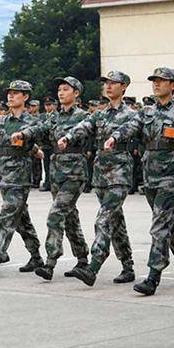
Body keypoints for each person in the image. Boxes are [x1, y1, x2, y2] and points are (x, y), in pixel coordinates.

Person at [105, 67, 174, 296]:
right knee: (167, 224)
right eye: (154, 81)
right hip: (150, 175)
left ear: (173, 85)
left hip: (172, 174)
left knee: (159, 225)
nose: (156, 84)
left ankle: (153, 276)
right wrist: (114, 137)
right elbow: (130, 127)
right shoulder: (146, 111)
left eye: (161, 81)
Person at [59, 71, 137, 286]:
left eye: (113, 83)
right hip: (101, 174)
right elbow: (83, 127)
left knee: (103, 219)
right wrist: (68, 136)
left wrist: (114, 138)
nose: (108, 87)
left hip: (119, 174)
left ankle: (93, 267)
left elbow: (128, 130)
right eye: (106, 83)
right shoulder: (100, 114)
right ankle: (128, 266)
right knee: (115, 221)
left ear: (124, 86)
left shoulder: (131, 114)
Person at [13, 76, 90, 281]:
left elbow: (82, 132)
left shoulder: (83, 116)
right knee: (70, 216)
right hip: (57, 172)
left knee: (56, 215)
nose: (61, 92)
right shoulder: (54, 117)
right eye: (59, 89)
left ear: (76, 93)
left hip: (75, 173)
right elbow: (39, 128)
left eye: (66, 89)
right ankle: (82, 260)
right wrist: (24, 133)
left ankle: (50, 262)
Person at [0, 80, 44, 277]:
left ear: (26, 97)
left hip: (20, 177)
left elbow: (35, 135)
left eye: (16, 93)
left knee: (6, 216)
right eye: (9, 93)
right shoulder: (2, 121)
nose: (11, 96)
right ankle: (36, 256)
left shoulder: (31, 121)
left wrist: (33, 147)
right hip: (4, 175)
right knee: (21, 219)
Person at [39, 96, 58, 192]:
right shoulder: (42, 116)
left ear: (55, 106)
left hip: (53, 144)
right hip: (45, 144)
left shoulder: (57, 116)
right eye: (46, 105)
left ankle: (53, 183)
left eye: (50, 105)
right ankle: (47, 183)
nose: (48, 107)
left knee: (54, 165)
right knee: (46, 165)